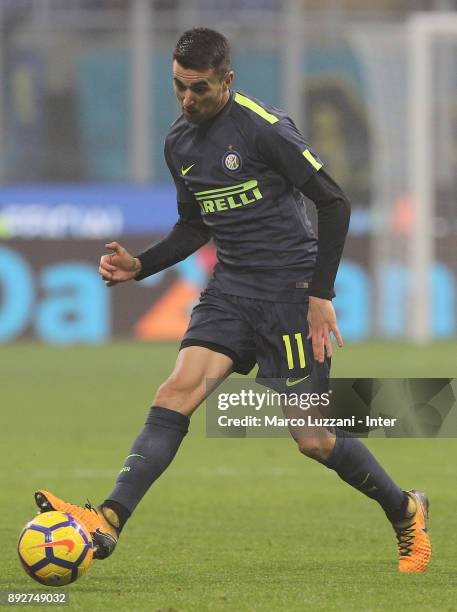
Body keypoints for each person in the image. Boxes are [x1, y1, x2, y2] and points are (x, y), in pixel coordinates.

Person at [34, 27, 431, 573]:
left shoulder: (265, 130)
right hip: (231, 291)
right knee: (177, 391)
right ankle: (108, 518)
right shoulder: (179, 142)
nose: (187, 99)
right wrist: (140, 266)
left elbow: (334, 203)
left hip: (291, 294)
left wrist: (320, 294)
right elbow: (195, 225)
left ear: (227, 79)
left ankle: (406, 511)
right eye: (178, 86)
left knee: (313, 438)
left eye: (199, 88)